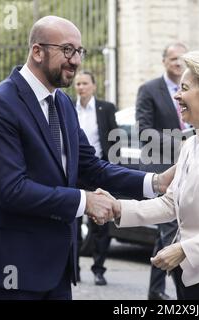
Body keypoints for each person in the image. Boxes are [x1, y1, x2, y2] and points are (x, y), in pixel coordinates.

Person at [0, 15, 174, 300]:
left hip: (58, 269)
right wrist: (85, 201)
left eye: (79, 51)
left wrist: (155, 182)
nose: (75, 60)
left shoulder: (62, 103)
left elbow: (91, 167)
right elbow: (12, 190)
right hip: (11, 269)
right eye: (67, 50)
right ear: (37, 51)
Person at [100, 51, 199, 300]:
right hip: (189, 277)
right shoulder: (190, 144)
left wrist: (184, 249)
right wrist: (119, 208)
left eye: (185, 88)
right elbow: (171, 202)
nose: (177, 95)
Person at [135, 42, 188, 300]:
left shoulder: (191, 88)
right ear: (164, 61)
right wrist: (180, 144)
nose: (178, 62)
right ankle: (184, 296)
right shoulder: (149, 90)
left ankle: (156, 292)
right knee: (170, 231)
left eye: (182, 58)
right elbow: (144, 131)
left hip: (188, 170)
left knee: (168, 234)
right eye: (173, 58)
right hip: (161, 172)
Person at [73, 70, 118, 286]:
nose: (80, 87)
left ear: (94, 86)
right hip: (74, 175)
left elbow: (114, 138)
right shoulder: (68, 109)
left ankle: (99, 269)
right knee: (72, 224)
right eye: (78, 83)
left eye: (84, 83)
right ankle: (74, 269)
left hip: (98, 171)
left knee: (101, 226)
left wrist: (113, 169)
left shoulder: (106, 108)